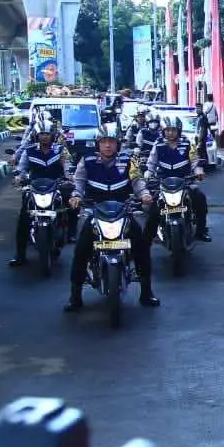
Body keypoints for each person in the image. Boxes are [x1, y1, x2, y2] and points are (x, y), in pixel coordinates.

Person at [65, 129, 159, 311]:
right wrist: (76, 196)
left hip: (123, 211)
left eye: (112, 141)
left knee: (141, 247)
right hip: (95, 212)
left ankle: (146, 292)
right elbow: (79, 182)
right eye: (103, 141)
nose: (108, 145)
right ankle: (75, 296)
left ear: (118, 144)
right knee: (81, 249)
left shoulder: (128, 161)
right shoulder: (87, 161)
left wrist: (145, 194)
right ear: (97, 144)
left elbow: (137, 181)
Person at [9, 116, 72, 267]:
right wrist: (19, 176)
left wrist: (70, 176)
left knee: (70, 208)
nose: (44, 136)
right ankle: (20, 254)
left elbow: (68, 166)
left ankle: (68, 233)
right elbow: (22, 168)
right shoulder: (29, 151)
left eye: (47, 133)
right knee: (23, 219)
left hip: (56, 186)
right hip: (34, 188)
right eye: (42, 134)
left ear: (53, 135)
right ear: (36, 135)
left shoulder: (61, 150)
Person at [142, 116, 211, 243]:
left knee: (200, 197)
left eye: (173, 130)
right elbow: (151, 163)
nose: (170, 133)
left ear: (178, 131)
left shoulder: (187, 143)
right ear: (163, 131)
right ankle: (148, 237)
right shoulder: (158, 144)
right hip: (163, 182)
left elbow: (194, 160)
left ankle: (201, 231)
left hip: (184, 181)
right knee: (153, 206)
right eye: (167, 130)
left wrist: (198, 171)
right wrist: (148, 173)